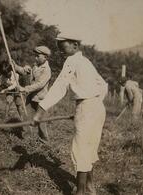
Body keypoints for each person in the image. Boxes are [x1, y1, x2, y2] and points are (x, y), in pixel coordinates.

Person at [33, 32, 108, 195]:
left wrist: (40, 112)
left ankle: (80, 192)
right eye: (59, 45)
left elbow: (59, 87)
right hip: (97, 108)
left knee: (80, 150)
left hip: (87, 108)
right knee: (89, 148)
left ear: (75, 45)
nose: (60, 48)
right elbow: (103, 85)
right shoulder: (85, 61)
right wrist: (94, 103)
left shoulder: (72, 61)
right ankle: (89, 187)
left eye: (63, 44)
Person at [12, 46, 52, 142]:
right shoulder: (35, 66)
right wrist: (14, 66)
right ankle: (27, 138)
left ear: (45, 57)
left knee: (41, 121)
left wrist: (25, 89)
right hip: (31, 97)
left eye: (38, 56)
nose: (35, 58)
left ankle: (44, 141)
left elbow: (39, 84)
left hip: (41, 99)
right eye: (35, 56)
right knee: (26, 117)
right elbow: (24, 71)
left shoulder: (46, 69)